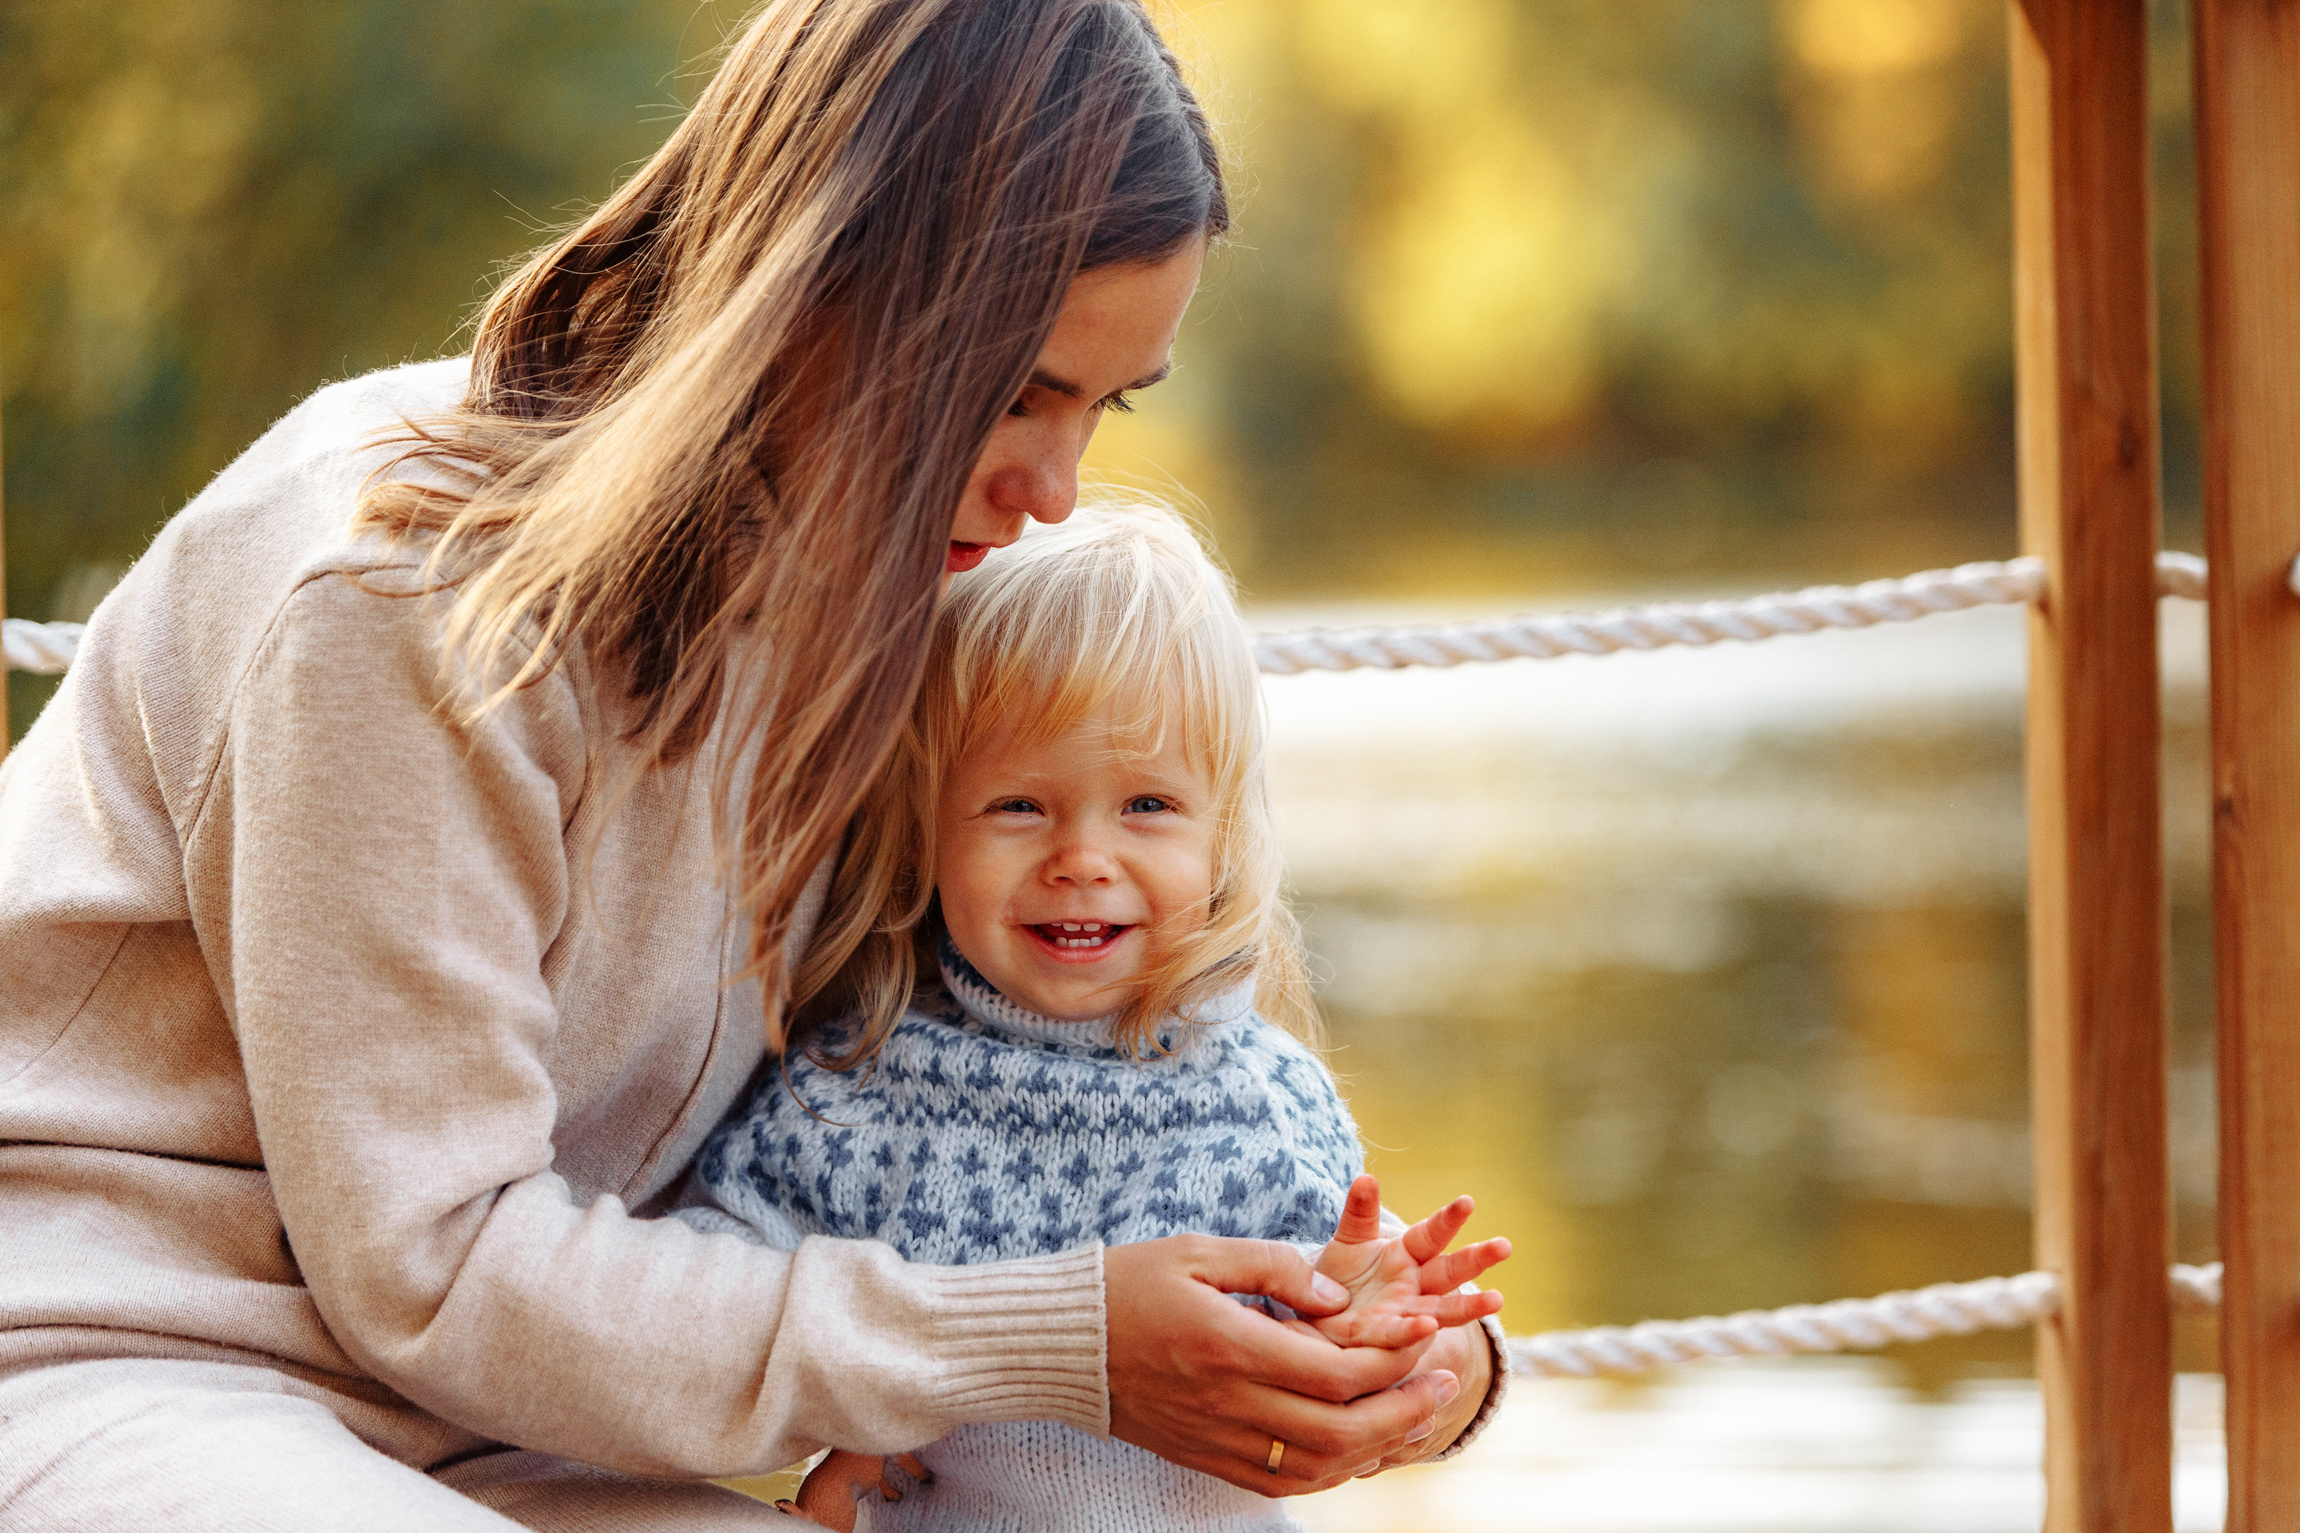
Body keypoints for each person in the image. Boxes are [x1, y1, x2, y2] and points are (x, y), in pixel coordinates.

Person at [0, 2, 1497, 1529]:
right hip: (116, 1353)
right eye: (1017, 392)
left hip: (517, 1419)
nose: (1056, 492)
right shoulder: (398, 594)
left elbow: (1100, 1058)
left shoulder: (881, 600)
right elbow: (434, 1266)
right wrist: (1056, 1345)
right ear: (822, 286)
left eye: (1102, 408)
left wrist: (1375, 1350)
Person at [680, 503, 1512, 1532]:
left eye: (1147, 807)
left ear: (1222, 835)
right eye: (1018, 806)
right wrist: (853, 1409)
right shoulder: (852, 1089)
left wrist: (1363, 1321)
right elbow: (710, 1305)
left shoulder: (1257, 1096)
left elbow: (1339, 1335)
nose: (1081, 858)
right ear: (925, 828)